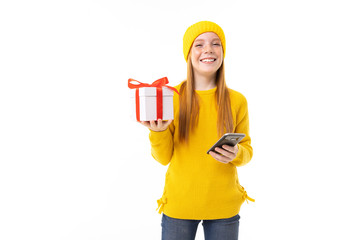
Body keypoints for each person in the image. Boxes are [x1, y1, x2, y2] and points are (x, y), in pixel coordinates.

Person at [140, 21, 254, 240]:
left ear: (223, 52)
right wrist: (158, 132)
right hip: (179, 205)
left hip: (224, 207)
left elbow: (247, 151)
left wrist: (237, 153)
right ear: (189, 53)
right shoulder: (171, 98)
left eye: (215, 44)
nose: (208, 49)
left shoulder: (238, 101)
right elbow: (163, 158)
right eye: (199, 44)